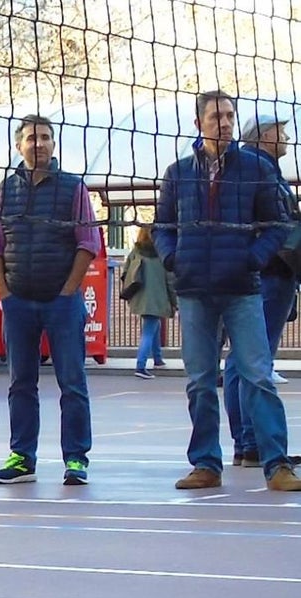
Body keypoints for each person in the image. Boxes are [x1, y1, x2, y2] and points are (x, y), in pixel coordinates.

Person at [154, 91, 301, 491]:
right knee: (200, 381)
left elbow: (278, 223)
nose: (225, 122)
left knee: (258, 376)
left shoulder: (254, 168)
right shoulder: (179, 172)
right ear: (199, 122)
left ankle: (277, 465)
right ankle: (205, 463)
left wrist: (252, 258)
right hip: (194, 288)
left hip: (242, 287)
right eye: (217, 115)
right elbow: (162, 227)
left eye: (230, 116)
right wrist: (174, 259)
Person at [0, 114, 100, 486]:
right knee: (21, 382)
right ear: (20, 146)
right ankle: (22, 457)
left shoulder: (72, 188)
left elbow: (88, 243)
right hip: (19, 301)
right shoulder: (6, 189)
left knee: (72, 381)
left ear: (54, 144)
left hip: (61, 302)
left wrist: (68, 291)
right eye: (33, 138)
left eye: (47, 138)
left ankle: (76, 459)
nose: (40, 144)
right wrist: (5, 294)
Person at [224, 114, 301, 467]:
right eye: (281, 131)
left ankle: (246, 442)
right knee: (254, 359)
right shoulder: (260, 170)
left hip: (263, 271)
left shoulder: (248, 168)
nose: (286, 136)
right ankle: (253, 441)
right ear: (265, 135)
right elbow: (274, 224)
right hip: (270, 272)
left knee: (242, 360)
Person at [121, 226, 175, 380]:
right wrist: (173, 300)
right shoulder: (161, 253)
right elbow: (170, 279)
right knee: (149, 330)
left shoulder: (136, 252)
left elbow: (126, 272)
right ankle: (141, 365)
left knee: (153, 326)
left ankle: (158, 358)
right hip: (158, 297)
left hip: (140, 296)